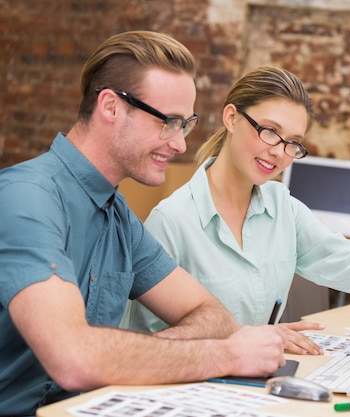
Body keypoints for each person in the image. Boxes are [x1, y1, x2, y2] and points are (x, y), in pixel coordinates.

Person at [0, 31, 285, 417]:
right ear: (111, 107)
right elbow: (72, 359)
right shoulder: (26, 198)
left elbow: (211, 314)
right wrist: (225, 355)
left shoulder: (118, 217)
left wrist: (140, 356)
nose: (181, 144)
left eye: (185, 124)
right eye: (168, 122)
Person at [123, 66, 350, 355]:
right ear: (232, 118)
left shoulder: (282, 207)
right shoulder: (171, 220)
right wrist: (247, 339)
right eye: (269, 131)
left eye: (292, 142)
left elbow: (346, 262)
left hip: (256, 380)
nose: (279, 152)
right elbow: (149, 344)